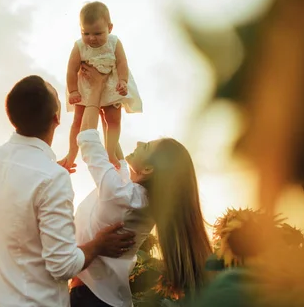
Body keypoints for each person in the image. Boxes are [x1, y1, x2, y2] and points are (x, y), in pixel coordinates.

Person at [0, 75, 135, 307]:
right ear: (56, 118)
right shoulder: (52, 177)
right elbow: (63, 266)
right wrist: (98, 244)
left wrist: (49, 175)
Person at [69, 63, 212, 306]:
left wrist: (94, 92)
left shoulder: (123, 194)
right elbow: (114, 154)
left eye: (145, 147)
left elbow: (88, 141)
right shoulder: (135, 194)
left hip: (91, 299)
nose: (137, 143)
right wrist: (108, 107)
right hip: (103, 298)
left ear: (148, 170)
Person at [58, 2, 142, 171]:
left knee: (113, 120)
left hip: (111, 85)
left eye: (98, 33)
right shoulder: (79, 46)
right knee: (78, 121)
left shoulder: (114, 42)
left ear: (110, 28)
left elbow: (122, 63)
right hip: (86, 89)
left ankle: (110, 152)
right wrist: (73, 90)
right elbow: (71, 70)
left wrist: (123, 81)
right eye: (85, 33)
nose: (91, 38)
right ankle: (71, 154)